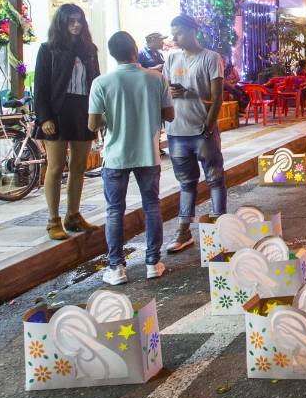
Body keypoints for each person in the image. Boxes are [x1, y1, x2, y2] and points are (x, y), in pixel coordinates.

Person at [87, 31, 174, 284]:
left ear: (112, 54)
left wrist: (112, 116)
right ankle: (152, 262)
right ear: (136, 50)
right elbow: (169, 115)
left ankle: (116, 268)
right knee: (151, 206)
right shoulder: (156, 78)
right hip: (148, 153)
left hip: (115, 156)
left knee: (115, 210)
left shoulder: (102, 83)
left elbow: (92, 123)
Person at [33, 3, 101, 241]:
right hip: (57, 112)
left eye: (79, 20)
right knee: (55, 166)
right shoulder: (48, 49)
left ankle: (73, 214)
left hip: (82, 111)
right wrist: (44, 118)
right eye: (71, 21)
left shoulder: (90, 49)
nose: (76, 25)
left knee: (79, 166)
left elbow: (97, 84)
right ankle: (53, 219)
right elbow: (40, 87)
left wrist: (98, 113)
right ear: (61, 23)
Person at [163, 15, 226, 254]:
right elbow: (166, 90)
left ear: (192, 31)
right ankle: (183, 230)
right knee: (186, 182)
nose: (175, 38)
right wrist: (171, 92)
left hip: (201, 129)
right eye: (173, 33)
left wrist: (209, 125)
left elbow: (217, 97)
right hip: (177, 130)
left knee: (215, 178)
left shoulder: (211, 58)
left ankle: (221, 226)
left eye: (178, 33)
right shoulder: (171, 58)